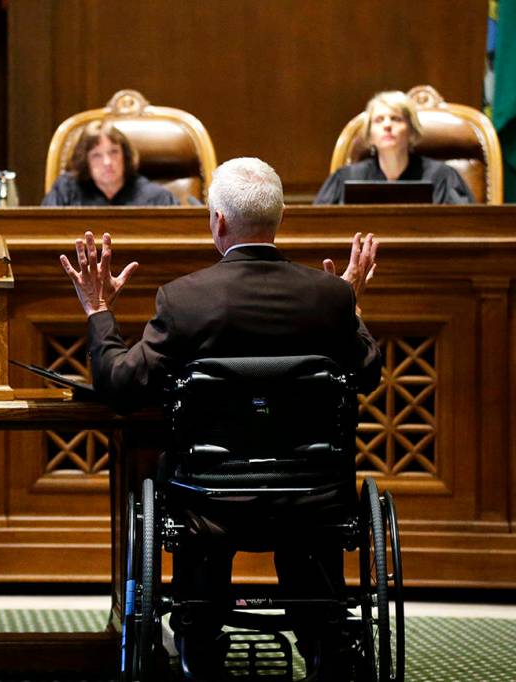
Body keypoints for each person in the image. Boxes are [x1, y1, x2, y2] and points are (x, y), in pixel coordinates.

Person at [60, 157, 381, 681]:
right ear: (280, 218)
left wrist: (98, 312)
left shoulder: (185, 299)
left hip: (208, 503)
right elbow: (367, 373)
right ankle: (325, 639)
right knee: (308, 493)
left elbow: (120, 386)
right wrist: (353, 311)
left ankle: (199, 637)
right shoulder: (330, 297)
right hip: (313, 498)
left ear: (218, 220)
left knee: (184, 476)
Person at [315, 90, 473, 204]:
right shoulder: (345, 178)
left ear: (412, 131)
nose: (387, 125)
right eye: (379, 120)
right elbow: (320, 229)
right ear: (369, 136)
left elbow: (466, 227)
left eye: (396, 119)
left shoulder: (443, 177)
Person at [42, 121, 179, 206]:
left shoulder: (157, 197)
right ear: (85, 161)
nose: (107, 162)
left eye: (113, 152)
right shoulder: (65, 191)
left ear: (125, 155)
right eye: (97, 155)